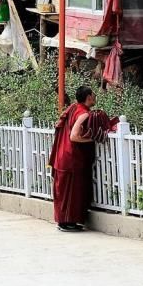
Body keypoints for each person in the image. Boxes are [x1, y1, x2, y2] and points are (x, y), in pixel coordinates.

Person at [49, 85, 105, 232]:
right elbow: (74, 136)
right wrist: (92, 138)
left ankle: (64, 222)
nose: (95, 97)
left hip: (62, 155)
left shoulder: (73, 107)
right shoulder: (83, 113)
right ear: (88, 97)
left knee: (63, 192)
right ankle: (68, 222)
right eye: (93, 94)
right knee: (72, 192)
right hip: (71, 158)